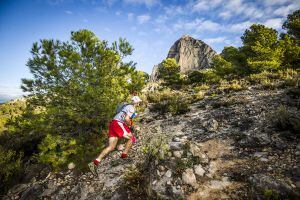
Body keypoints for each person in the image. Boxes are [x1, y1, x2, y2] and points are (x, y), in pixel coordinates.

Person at [91, 96, 142, 168]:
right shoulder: (131, 107)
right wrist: (133, 126)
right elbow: (126, 118)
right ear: (136, 102)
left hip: (113, 124)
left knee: (111, 147)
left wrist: (129, 125)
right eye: (139, 102)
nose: (139, 103)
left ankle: (96, 162)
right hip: (118, 123)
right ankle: (124, 156)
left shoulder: (127, 106)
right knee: (132, 138)